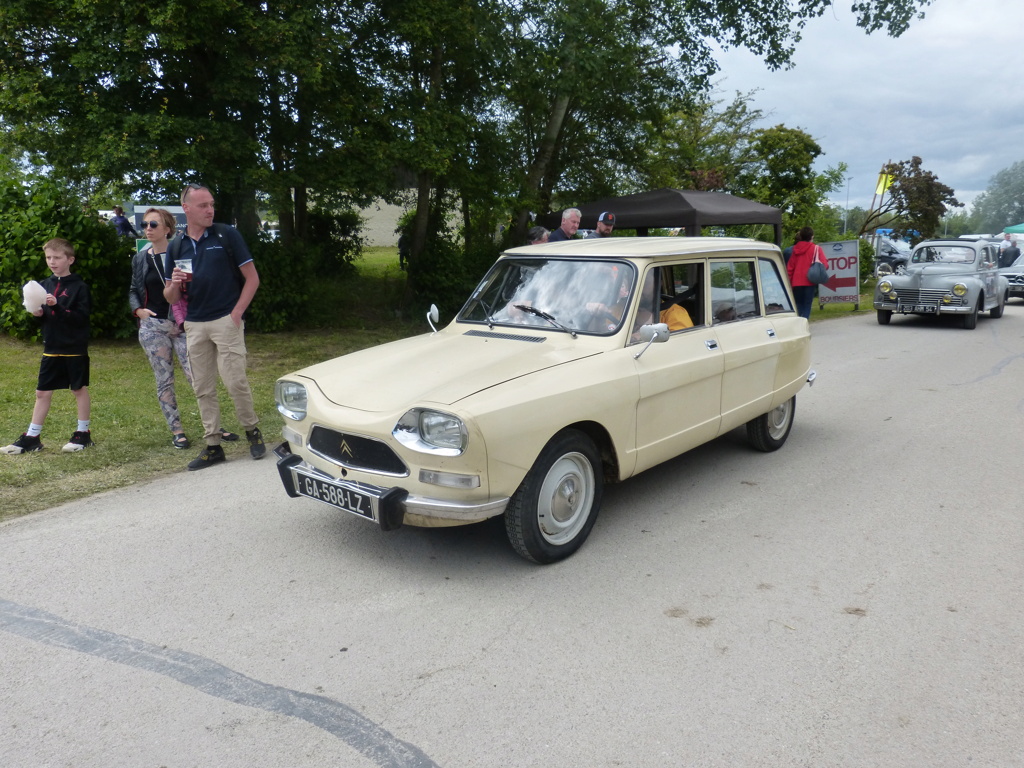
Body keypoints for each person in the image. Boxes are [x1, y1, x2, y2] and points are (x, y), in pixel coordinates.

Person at [164, 184, 263, 470]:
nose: (210, 210)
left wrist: (237, 313)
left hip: (225, 319)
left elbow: (252, 278)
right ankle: (213, 445)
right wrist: (175, 283)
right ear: (187, 209)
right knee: (203, 388)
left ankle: (252, 432)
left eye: (212, 204)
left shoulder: (225, 234)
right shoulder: (176, 245)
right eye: (203, 205)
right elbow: (170, 297)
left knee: (235, 381)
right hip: (195, 323)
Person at [130, 208, 240, 450]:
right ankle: (177, 430)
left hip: (182, 325)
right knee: (164, 380)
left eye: (153, 224)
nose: (147, 228)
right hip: (153, 327)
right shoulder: (140, 258)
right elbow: (133, 289)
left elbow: (195, 285)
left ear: (167, 229)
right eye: (145, 224)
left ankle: (214, 427)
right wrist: (138, 310)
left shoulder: (181, 252)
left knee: (198, 377)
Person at [1, 238, 94, 455]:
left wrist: (57, 306)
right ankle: (32, 437)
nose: (52, 261)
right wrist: (38, 313)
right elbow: (45, 318)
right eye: (48, 257)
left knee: (78, 389)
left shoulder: (80, 287)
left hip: (74, 347)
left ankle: (83, 434)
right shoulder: (44, 284)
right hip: (51, 346)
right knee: (42, 392)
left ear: (70, 259)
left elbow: (81, 318)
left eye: (57, 257)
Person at [787, 226, 826, 320]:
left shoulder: (795, 249)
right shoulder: (816, 249)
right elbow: (825, 264)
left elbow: (790, 267)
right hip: (810, 280)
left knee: (798, 304)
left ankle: (798, 322)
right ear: (812, 236)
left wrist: (789, 282)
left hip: (796, 281)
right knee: (807, 304)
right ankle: (804, 323)